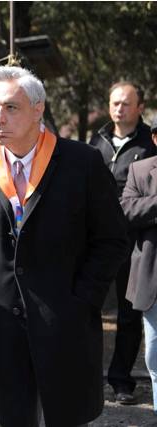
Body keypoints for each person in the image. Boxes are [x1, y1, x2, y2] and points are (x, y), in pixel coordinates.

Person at [0, 66, 128, 427]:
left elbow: (111, 239)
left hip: (66, 323)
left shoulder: (82, 162)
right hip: (2, 325)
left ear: (38, 109)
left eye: (10, 107)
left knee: (67, 416)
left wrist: (83, 300)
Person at [88, 81, 157, 404]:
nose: (119, 108)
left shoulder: (149, 143)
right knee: (88, 304)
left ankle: (121, 381)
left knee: (129, 313)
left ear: (139, 108)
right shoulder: (97, 141)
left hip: (134, 241)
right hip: (96, 237)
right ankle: (86, 375)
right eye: (115, 102)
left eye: (126, 103)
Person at [121, 119, 157, 414]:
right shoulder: (140, 170)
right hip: (152, 277)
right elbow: (126, 210)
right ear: (155, 138)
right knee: (155, 355)